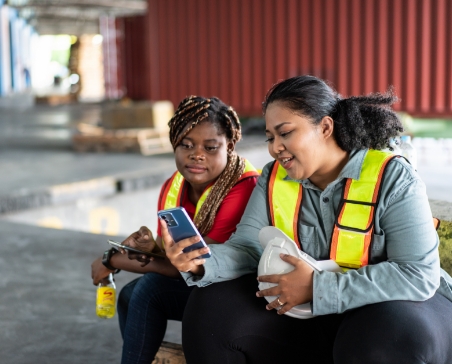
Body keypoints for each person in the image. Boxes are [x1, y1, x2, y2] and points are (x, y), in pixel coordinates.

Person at [145, 76, 452, 364]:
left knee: (382, 334)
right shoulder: (274, 178)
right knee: (212, 307)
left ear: (326, 127)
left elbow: (417, 274)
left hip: (399, 310)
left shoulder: (392, 176)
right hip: (312, 313)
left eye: (285, 132)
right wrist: (202, 262)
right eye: (269, 137)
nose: (274, 147)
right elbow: (247, 247)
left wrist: (319, 287)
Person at [91, 95, 259, 363]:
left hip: (235, 287)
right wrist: (149, 249)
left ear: (230, 147)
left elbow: (195, 264)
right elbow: (168, 255)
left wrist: (110, 260)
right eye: (186, 145)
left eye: (211, 147)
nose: (197, 155)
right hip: (197, 279)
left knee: (149, 290)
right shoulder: (175, 185)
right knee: (128, 295)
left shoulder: (244, 188)